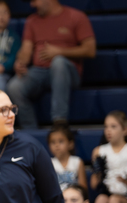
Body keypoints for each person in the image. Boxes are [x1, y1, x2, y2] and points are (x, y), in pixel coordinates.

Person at [6, 0, 95, 129]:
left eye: (35, 1)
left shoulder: (76, 16)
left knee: (58, 62)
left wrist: (60, 52)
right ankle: (31, 130)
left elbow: (90, 50)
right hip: (39, 71)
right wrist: (20, 62)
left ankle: (59, 122)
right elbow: (26, 49)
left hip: (68, 71)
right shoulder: (32, 21)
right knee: (14, 87)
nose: (32, 5)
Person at [48, 125, 86, 190]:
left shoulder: (77, 162)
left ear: (70, 144)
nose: (57, 145)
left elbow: (83, 188)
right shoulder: (49, 163)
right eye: (53, 142)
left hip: (74, 197)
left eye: (61, 141)